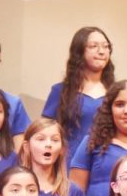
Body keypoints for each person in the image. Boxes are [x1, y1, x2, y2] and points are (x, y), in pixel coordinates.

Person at [43, 27, 115, 161]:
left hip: (105, 161)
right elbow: (44, 131)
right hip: (68, 162)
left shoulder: (116, 93)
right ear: (80, 51)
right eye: (94, 46)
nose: (101, 51)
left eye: (106, 47)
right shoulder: (61, 91)